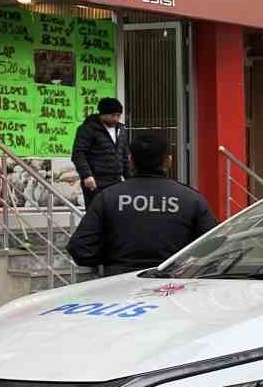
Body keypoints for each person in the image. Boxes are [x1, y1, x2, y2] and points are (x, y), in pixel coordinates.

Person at [67, 133, 218, 275]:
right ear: (169, 161)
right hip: (172, 285)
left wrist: (112, 262)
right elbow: (213, 246)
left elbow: (81, 249)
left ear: (131, 161)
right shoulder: (191, 199)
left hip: (118, 285)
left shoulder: (107, 197)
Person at [72, 97, 130, 208]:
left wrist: (130, 179)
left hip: (116, 182)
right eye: (112, 115)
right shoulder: (87, 129)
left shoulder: (121, 130)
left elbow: (124, 157)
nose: (116, 119)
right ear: (102, 114)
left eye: (118, 115)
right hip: (95, 182)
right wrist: (87, 175)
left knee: (115, 216)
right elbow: (78, 154)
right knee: (96, 216)